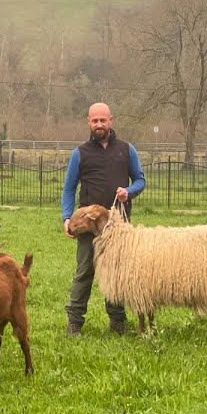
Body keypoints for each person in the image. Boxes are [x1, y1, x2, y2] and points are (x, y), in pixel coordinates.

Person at [61, 102, 146, 336]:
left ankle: (118, 321)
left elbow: (140, 180)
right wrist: (67, 217)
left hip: (118, 227)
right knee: (84, 271)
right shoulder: (80, 153)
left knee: (117, 272)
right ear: (89, 123)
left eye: (103, 120)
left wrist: (129, 191)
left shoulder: (127, 150)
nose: (99, 124)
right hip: (89, 225)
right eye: (94, 121)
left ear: (111, 120)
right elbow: (69, 188)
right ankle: (75, 322)